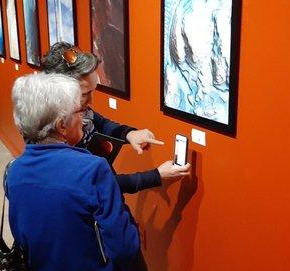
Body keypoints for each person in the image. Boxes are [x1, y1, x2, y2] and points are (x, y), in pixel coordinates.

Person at [7, 73, 143, 271]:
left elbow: (22, 234)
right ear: (62, 125)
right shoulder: (92, 169)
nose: (84, 117)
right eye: (80, 111)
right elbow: (124, 247)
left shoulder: (13, 170)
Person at [42, 42, 191, 194]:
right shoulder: (50, 140)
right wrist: (156, 176)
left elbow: (100, 123)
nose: (91, 102)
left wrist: (129, 134)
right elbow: (96, 186)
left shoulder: (79, 112)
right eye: (84, 94)